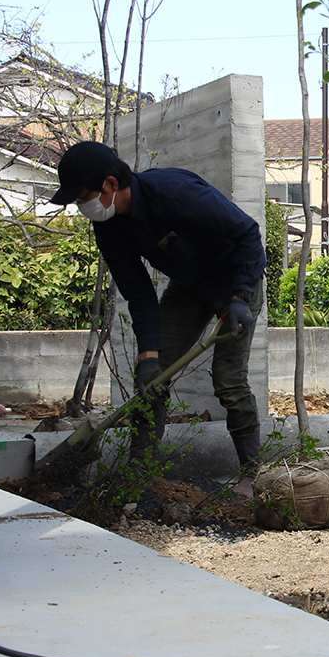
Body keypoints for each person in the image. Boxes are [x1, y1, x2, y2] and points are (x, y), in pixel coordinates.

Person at [50, 141, 267, 495]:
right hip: (189, 287)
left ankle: (252, 474)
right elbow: (138, 292)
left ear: (108, 184)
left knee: (229, 381)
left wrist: (241, 295)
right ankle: (140, 473)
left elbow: (246, 232)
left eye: (82, 196)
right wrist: (148, 356)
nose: (80, 205)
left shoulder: (174, 193)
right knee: (151, 381)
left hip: (235, 281)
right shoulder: (108, 227)